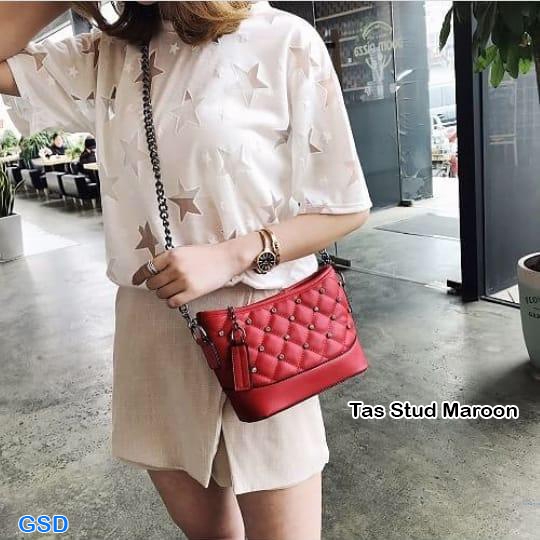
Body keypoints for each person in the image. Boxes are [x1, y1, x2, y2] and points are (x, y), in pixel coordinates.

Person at [0, 2, 372, 539]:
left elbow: (345, 206)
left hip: (262, 326)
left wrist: (233, 255)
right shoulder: (109, 54)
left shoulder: (283, 39)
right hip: (155, 327)